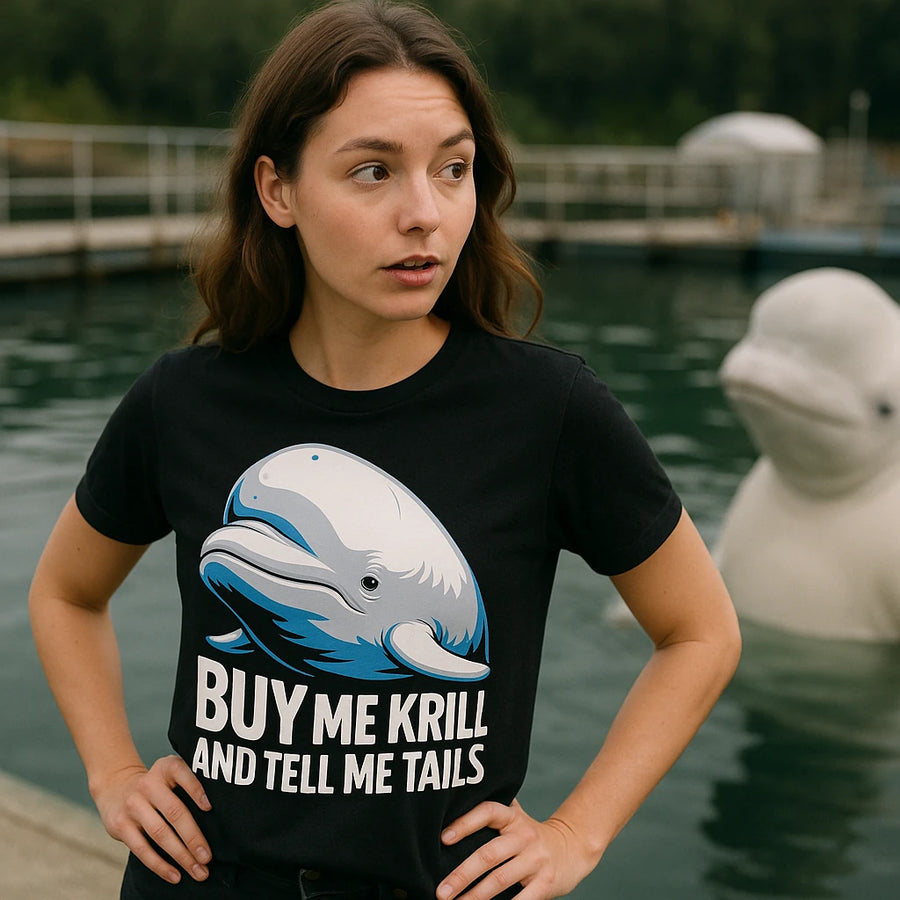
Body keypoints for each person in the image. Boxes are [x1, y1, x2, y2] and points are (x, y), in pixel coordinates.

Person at [29, 2, 742, 898]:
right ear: (277, 190)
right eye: (373, 171)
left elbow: (702, 632)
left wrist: (573, 832)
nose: (424, 214)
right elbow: (64, 591)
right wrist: (112, 772)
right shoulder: (184, 399)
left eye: (454, 169)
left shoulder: (548, 409)